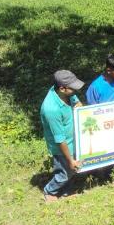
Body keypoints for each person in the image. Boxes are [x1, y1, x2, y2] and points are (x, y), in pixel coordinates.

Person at [40, 70, 85, 202]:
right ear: (62, 88)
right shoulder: (51, 109)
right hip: (61, 146)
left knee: (72, 170)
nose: (75, 91)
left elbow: (75, 100)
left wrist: (78, 104)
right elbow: (59, 140)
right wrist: (70, 160)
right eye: (73, 88)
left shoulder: (64, 93)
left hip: (72, 139)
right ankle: (49, 191)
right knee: (65, 172)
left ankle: (67, 191)